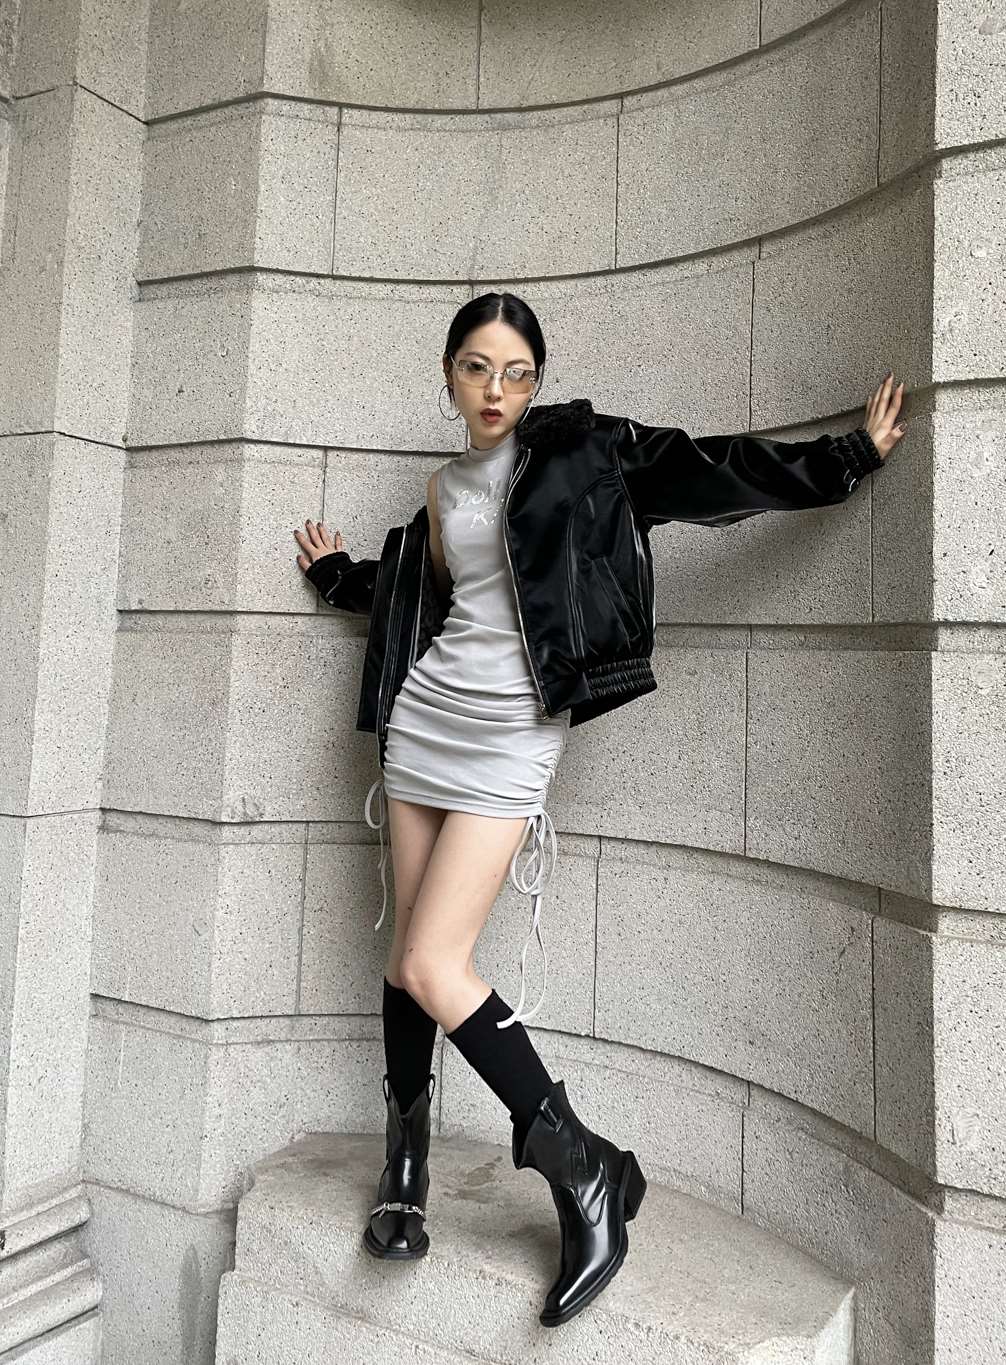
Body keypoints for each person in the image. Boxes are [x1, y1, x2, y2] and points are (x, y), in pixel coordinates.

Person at [294, 292, 906, 1327]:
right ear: (448, 375)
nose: (496, 389)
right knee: (405, 957)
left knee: (435, 964)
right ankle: (407, 1159)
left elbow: (706, 470)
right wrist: (336, 574)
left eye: (516, 371)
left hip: (512, 731)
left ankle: (585, 1171)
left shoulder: (580, 455)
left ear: (537, 380)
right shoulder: (443, 490)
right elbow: (422, 589)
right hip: (424, 723)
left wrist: (844, 459)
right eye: (477, 368)